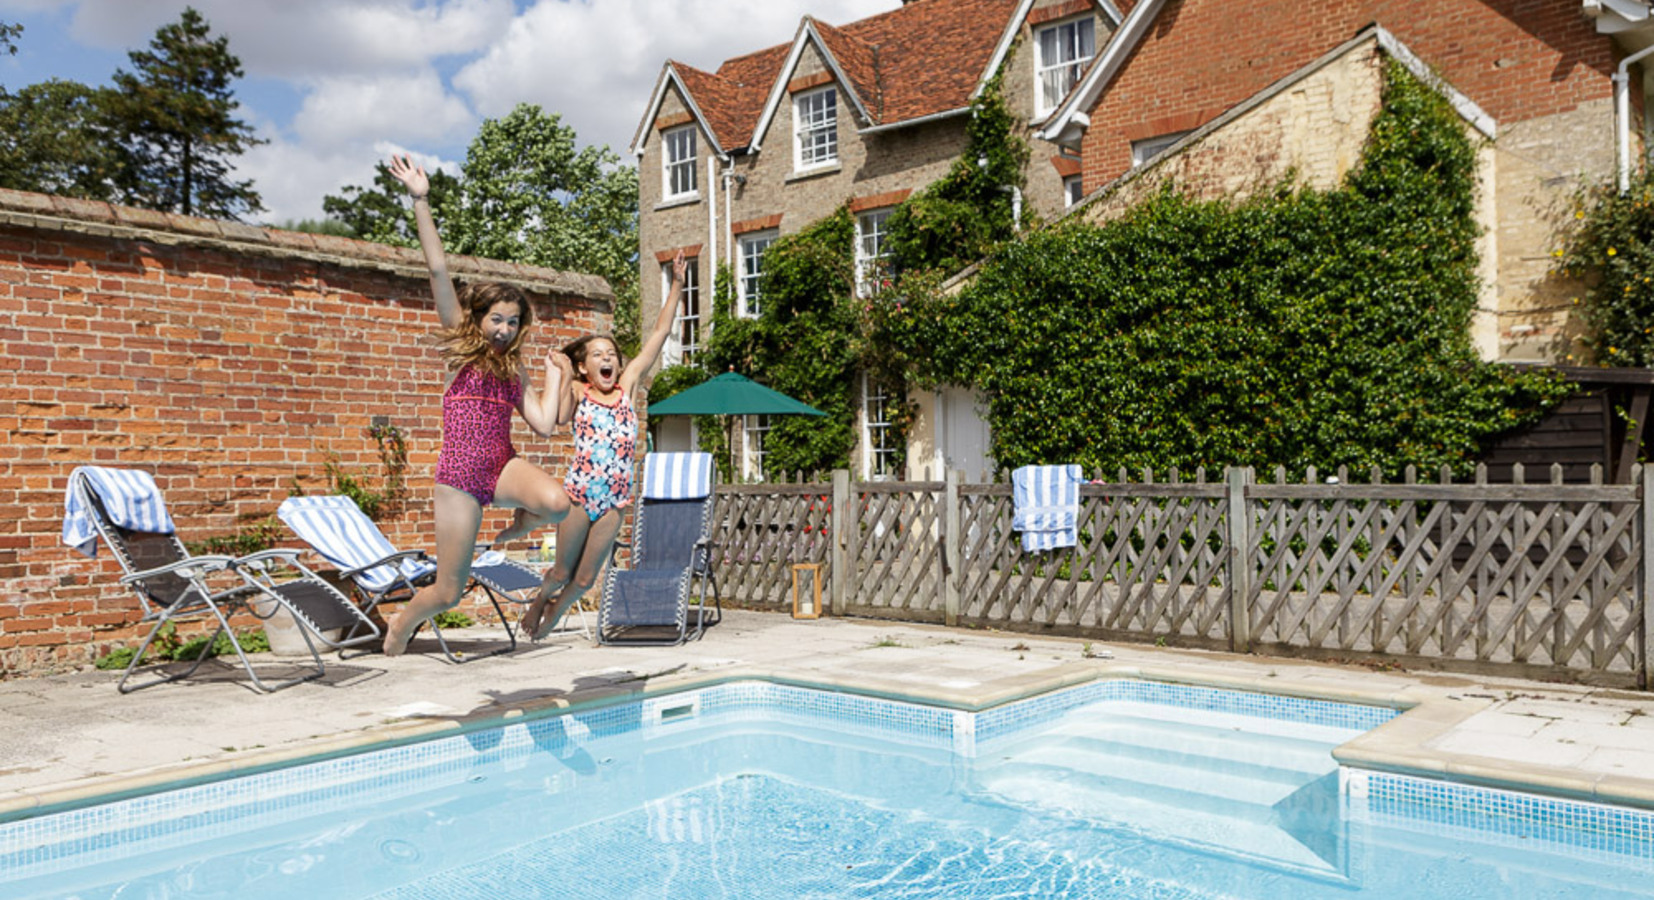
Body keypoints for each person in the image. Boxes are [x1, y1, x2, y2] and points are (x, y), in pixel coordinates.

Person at [381, 153, 573, 656]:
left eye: (513, 321)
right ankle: (403, 620)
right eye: (497, 319)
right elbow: (439, 270)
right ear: (478, 317)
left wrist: (556, 377)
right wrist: (420, 200)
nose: (505, 329)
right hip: (460, 477)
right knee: (448, 592)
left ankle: (521, 521)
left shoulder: (515, 367)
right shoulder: (459, 350)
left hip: (501, 465)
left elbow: (545, 426)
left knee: (556, 502)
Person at [518, 249, 689, 639]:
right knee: (561, 571)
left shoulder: (627, 386)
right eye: (597, 355)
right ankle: (540, 599)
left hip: (614, 500)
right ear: (584, 366)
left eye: (611, 354)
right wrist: (561, 375)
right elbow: (559, 417)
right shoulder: (579, 390)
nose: (606, 359)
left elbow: (659, 335)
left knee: (584, 579)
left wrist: (677, 284)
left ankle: (555, 613)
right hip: (579, 496)